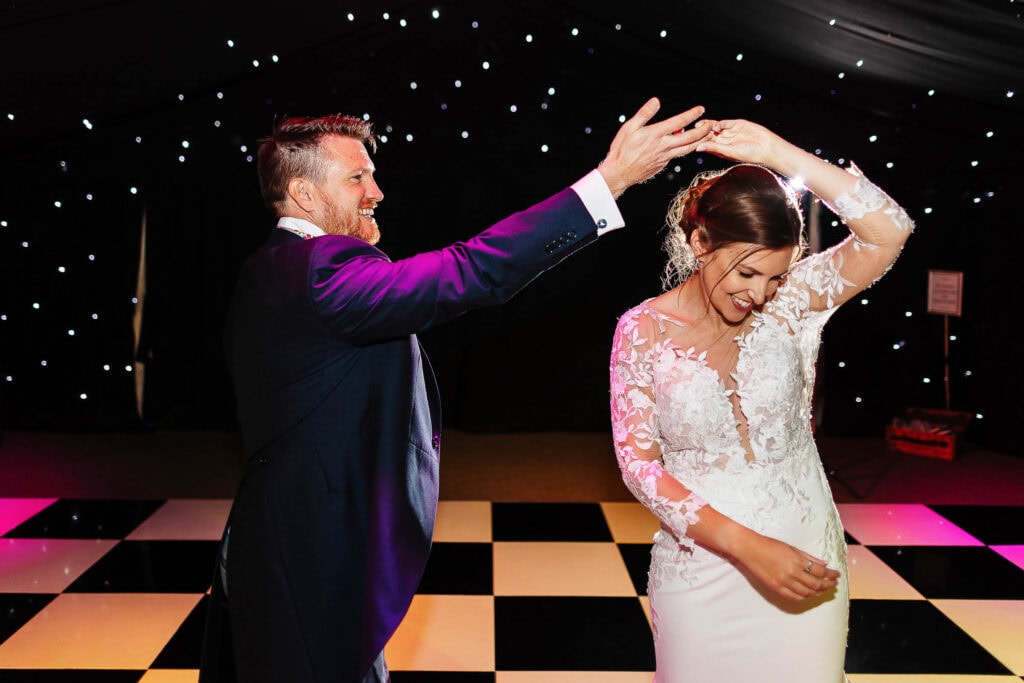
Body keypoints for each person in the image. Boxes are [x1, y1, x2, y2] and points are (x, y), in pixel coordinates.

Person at [198, 97, 715, 683]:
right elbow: (471, 270)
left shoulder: (269, 266)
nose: (376, 192)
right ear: (304, 194)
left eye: (372, 175)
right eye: (357, 178)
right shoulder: (321, 269)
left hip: (283, 532)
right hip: (310, 547)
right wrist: (610, 181)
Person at [609, 119, 914, 682]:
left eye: (774, 277)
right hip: (703, 566)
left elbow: (890, 230)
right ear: (701, 244)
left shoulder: (796, 301)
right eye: (747, 272)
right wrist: (746, 546)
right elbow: (639, 465)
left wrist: (777, 153)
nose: (758, 293)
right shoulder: (643, 330)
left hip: (805, 556)